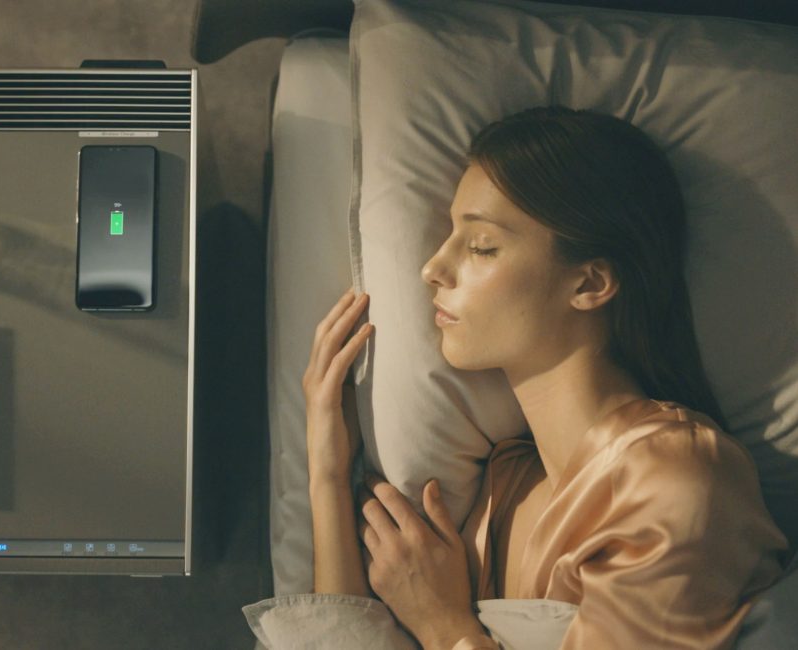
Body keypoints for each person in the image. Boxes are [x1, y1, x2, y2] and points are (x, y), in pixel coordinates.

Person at [301, 106, 789, 649]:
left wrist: (443, 626)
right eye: (449, 234)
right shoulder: (505, 485)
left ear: (590, 283)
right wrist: (327, 473)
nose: (433, 268)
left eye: (482, 245)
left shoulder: (676, 478)